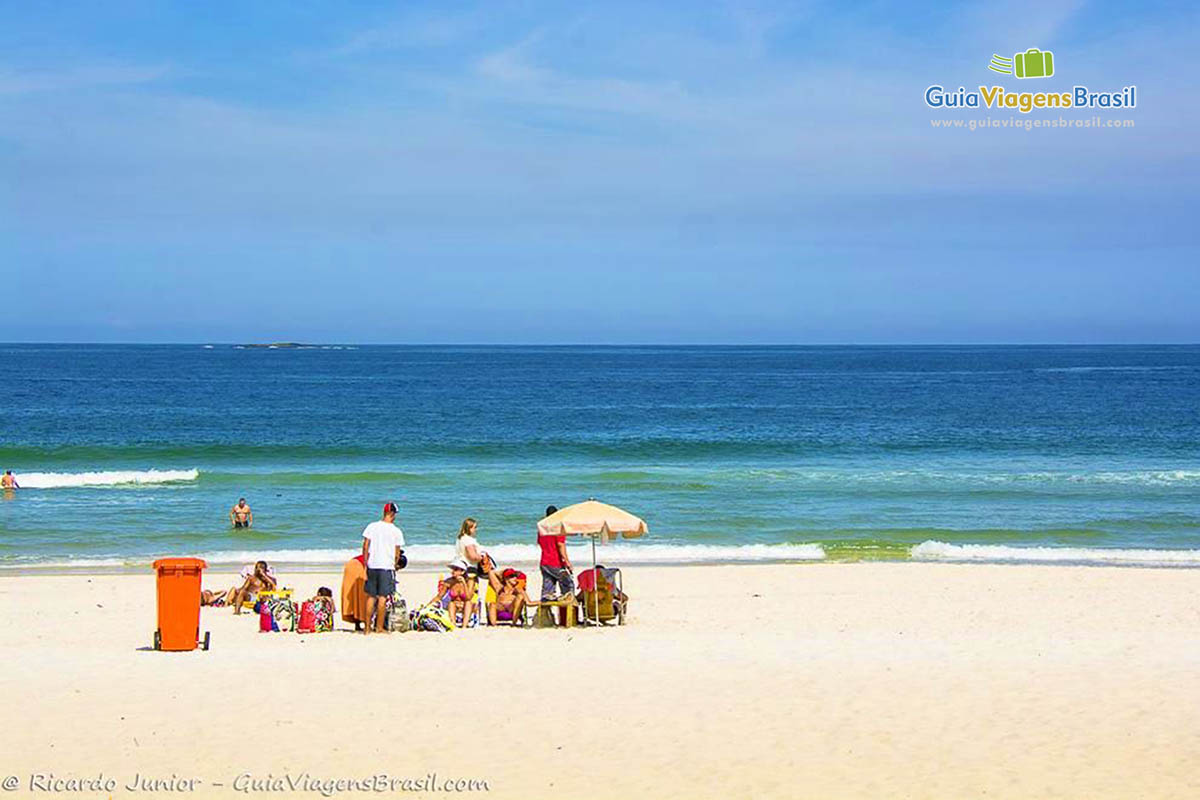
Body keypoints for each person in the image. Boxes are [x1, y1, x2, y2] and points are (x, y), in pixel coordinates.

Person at [361, 501, 405, 634]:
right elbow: (397, 551)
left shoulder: (372, 526)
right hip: (386, 566)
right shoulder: (396, 531)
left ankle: (367, 628)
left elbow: (365, 546)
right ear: (392, 514)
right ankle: (379, 627)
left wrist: (365, 562)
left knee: (371, 597)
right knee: (382, 597)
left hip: (372, 564)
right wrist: (396, 564)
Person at [456, 517, 502, 594]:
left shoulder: (460, 538)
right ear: (469, 528)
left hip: (463, 566)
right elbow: (472, 557)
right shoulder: (468, 540)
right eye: (474, 527)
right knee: (472, 593)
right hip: (470, 568)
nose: (475, 530)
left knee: (467, 591)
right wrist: (482, 557)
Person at [538, 505, 574, 600]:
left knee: (548, 590)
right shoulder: (558, 527)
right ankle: (567, 610)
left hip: (544, 562)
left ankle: (545, 612)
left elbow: (540, 543)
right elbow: (560, 545)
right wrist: (567, 562)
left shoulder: (542, 528)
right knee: (568, 585)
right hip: (555, 562)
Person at [428, 558, 476, 627]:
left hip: (468, 606)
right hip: (454, 606)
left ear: (462, 571)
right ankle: (453, 624)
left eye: (455, 569)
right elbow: (439, 596)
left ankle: (464, 626)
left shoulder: (470, 581)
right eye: (452, 569)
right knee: (451, 603)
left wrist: (464, 583)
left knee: (468, 603)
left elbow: (468, 597)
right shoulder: (449, 582)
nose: (453, 571)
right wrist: (428, 605)